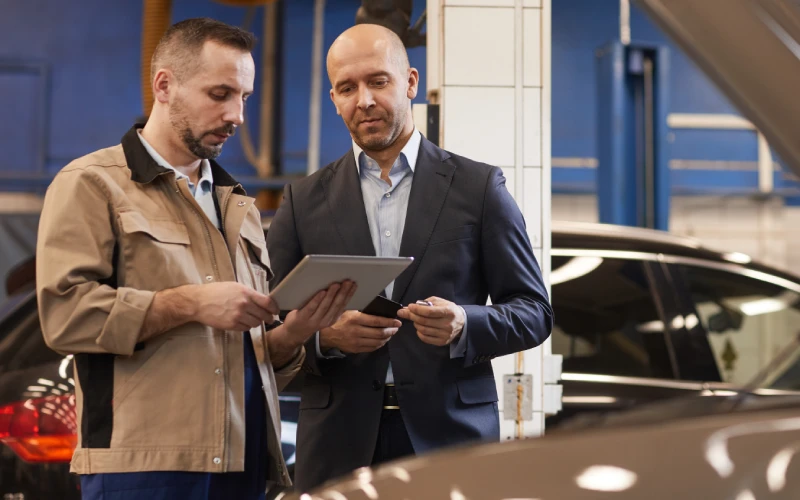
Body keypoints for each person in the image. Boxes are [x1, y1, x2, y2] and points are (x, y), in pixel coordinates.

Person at [35, 17, 355, 500]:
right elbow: (66, 316)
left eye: (244, 97)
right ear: (164, 85)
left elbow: (254, 353)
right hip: (142, 465)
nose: (237, 115)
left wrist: (295, 332)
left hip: (240, 460)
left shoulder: (235, 204)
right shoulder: (92, 184)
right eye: (220, 94)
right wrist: (189, 303)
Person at [266, 23, 554, 492]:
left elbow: (534, 312)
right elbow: (268, 323)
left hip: (451, 440)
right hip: (338, 444)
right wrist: (323, 336)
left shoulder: (478, 188)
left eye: (378, 81)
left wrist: (465, 322)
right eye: (346, 88)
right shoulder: (303, 201)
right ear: (334, 99)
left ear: (411, 83)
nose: (364, 100)